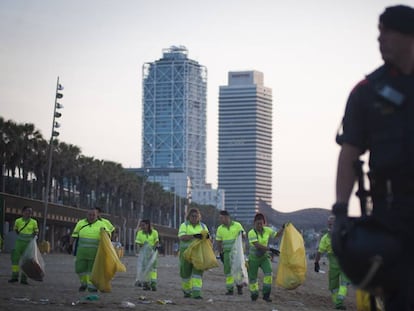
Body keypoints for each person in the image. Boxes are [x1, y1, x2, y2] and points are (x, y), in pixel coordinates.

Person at [332, 5, 414, 310]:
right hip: (391, 214)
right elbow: (349, 151)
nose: (380, 39)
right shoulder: (367, 92)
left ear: (409, 36)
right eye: (378, 32)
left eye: (387, 32)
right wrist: (341, 210)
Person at [70, 208, 110, 292]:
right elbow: (74, 235)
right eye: (90, 215)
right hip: (81, 252)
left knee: (92, 270)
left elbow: (108, 236)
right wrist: (70, 245)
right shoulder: (81, 223)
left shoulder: (102, 224)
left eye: (93, 215)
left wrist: (104, 233)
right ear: (86, 215)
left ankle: (92, 286)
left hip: (94, 252)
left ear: (97, 215)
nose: (91, 217)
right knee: (80, 269)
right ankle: (83, 283)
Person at [315, 216, 349, 310]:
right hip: (344, 261)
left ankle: (338, 303)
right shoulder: (344, 234)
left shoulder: (325, 238)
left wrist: (316, 263)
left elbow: (320, 252)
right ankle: (339, 301)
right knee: (344, 283)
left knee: (334, 286)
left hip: (334, 262)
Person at [247, 213, 283, 302]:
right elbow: (257, 245)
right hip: (253, 259)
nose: (259, 225)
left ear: (264, 223)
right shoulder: (251, 233)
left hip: (264, 258)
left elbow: (276, 235)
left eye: (261, 223)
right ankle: (254, 294)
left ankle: (266, 295)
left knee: (268, 274)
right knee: (253, 278)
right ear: (254, 223)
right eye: (257, 223)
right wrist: (270, 249)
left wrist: (283, 228)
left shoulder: (267, 230)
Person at [178, 208, 209, 299]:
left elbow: (207, 237)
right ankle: (187, 292)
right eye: (193, 216)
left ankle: (197, 293)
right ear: (189, 217)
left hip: (198, 253)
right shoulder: (184, 225)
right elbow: (182, 237)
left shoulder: (203, 226)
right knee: (185, 273)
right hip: (186, 253)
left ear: (199, 217)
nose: (195, 218)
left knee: (197, 273)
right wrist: (194, 236)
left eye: (196, 216)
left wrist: (206, 236)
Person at [215, 210, 245, 295]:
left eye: (221, 218)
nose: (220, 220)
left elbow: (243, 236)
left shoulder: (237, 225)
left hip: (236, 253)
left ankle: (239, 288)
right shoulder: (220, 228)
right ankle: (230, 289)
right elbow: (219, 241)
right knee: (228, 271)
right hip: (226, 253)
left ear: (227, 217)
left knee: (238, 270)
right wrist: (221, 252)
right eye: (219, 218)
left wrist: (242, 234)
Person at [8, 206, 39, 284]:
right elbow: (16, 229)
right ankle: (14, 277)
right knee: (15, 259)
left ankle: (24, 279)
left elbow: (36, 231)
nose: (28, 213)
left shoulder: (34, 222)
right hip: (19, 242)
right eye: (27, 211)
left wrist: (33, 235)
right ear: (23, 212)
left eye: (30, 212)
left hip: (28, 243)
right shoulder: (18, 221)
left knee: (26, 261)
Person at [135, 219, 159, 291]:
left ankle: (153, 283)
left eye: (143, 225)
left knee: (153, 268)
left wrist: (153, 248)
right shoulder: (140, 233)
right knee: (145, 268)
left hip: (152, 252)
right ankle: (146, 283)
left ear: (148, 225)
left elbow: (156, 241)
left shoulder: (154, 232)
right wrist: (145, 246)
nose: (142, 227)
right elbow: (138, 243)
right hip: (144, 253)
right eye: (141, 225)